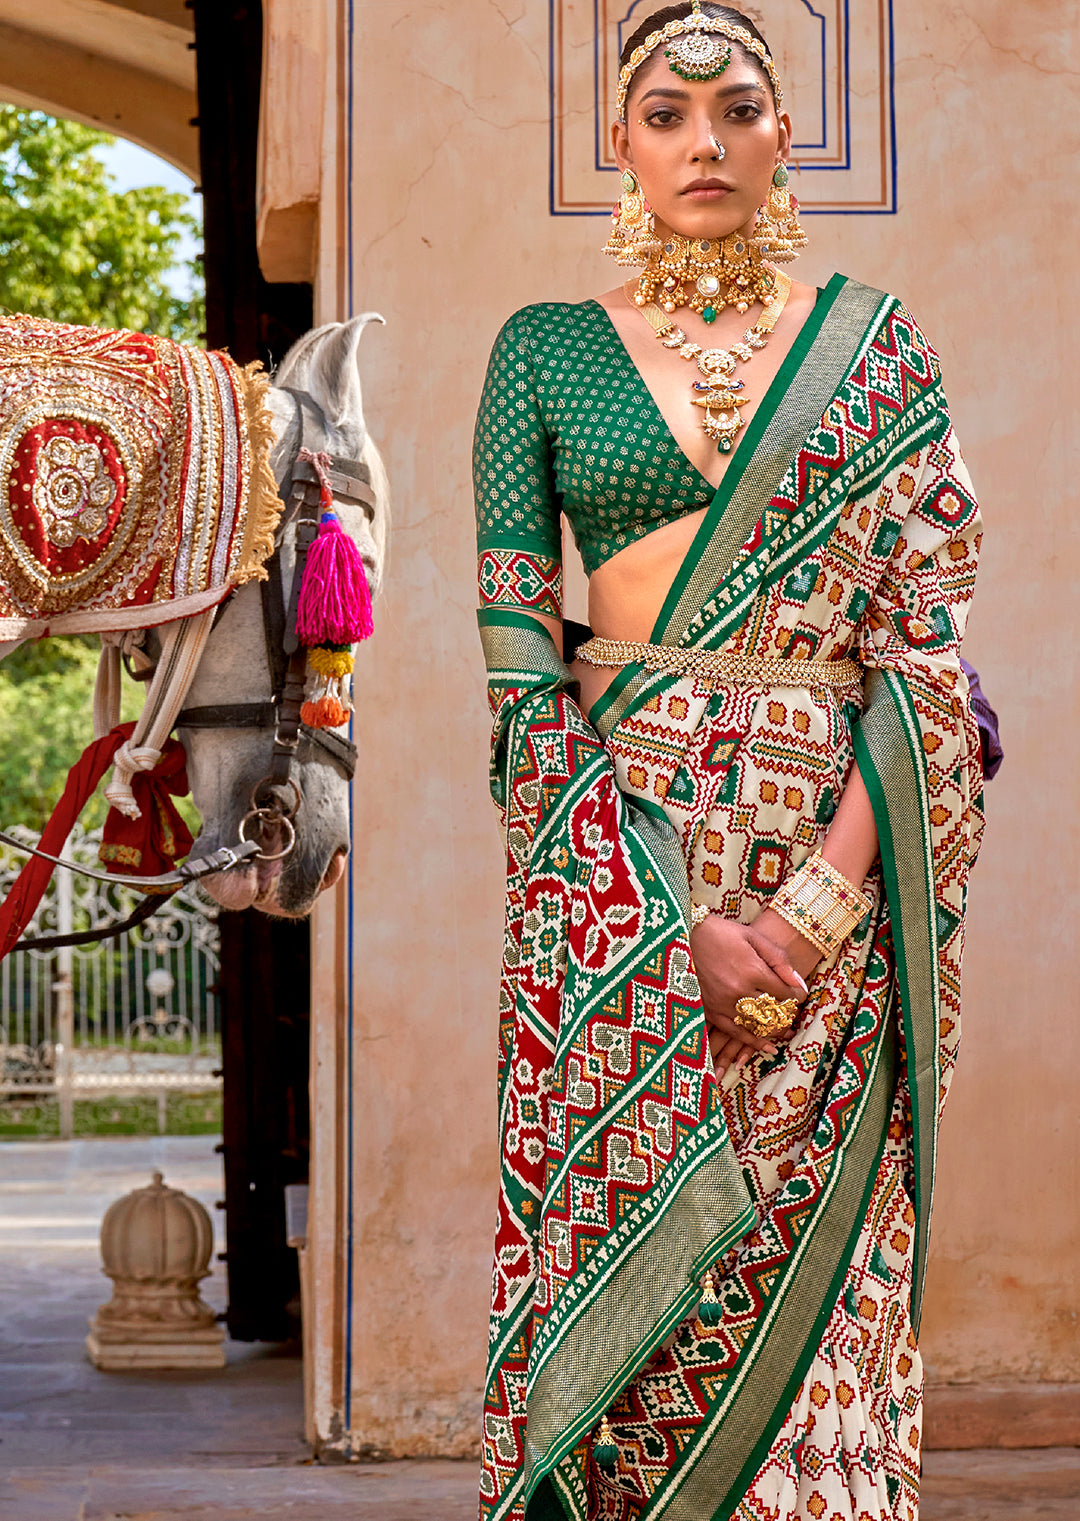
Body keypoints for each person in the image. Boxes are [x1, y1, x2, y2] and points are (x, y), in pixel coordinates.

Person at [473, 6, 983, 1518]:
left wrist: (809, 917)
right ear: (618, 145)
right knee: (637, 1292)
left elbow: (932, 667)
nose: (705, 141)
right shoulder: (543, 354)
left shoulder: (880, 347)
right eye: (668, 114)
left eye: (739, 110)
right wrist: (666, 926)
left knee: (817, 1272)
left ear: (782, 138)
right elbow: (518, 681)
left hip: (838, 864)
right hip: (619, 891)